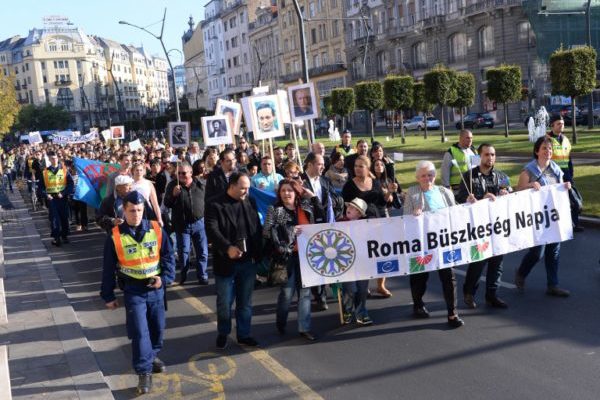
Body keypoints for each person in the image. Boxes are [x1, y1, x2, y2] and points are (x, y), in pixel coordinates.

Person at [100, 191, 175, 395]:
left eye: (140, 210)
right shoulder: (115, 236)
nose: (136, 214)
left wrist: (165, 279)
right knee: (140, 332)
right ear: (124, 210)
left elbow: (168, 256)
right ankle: (144, 372)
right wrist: (108, 295)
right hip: (134, 290)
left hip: (156, 288)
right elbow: (108, 268)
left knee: (157, 330)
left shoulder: (156, 229)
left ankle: (152, 355)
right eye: (132, 210)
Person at [205, 172, 264, 349]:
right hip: (226, 262)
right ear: (231, 186)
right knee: (225, 303)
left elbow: (256, 228)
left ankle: (244, 334)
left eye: (247, 188)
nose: (246, 191)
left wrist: (259, 253)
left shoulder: (250, 201)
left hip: (247, 262)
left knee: (245, 302)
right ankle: (223, 331)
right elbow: (211, 230)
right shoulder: (214, 204)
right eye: (243, 188)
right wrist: (227, 248)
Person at [403, 160, 464, 328]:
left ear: (435, 176)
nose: (427, 178)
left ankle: (452, 313)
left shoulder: (444, 192)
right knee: (419, 277)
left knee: (448, 277)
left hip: (443, 242)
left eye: (430, 175)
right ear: (417, 177)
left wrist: (470, 203)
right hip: (422, 243)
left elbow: (456, 211)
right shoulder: (413, 193)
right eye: (423, 175)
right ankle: (418, 303)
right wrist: (414, 214)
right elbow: (405, 218)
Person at [456, 143, 511, 309]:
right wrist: (477, 198)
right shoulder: (469, 176)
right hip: (479, 226)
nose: (490, 158)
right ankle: (469, 293)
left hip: (498, 225)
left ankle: (492, 295)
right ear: (479, 157)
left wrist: (507, 192)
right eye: (487, 154)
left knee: (497, 261)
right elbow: (461, 198)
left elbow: (510, 191)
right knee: (479, 261)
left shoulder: (501, 176)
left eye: (493, 154)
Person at [515, 136, 571, 297]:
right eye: (544, 148)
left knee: (554, 251)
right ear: (537, 151)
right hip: (537, 218)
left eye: (550, 149)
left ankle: (553, 285)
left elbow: (559, 190)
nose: (548, 151)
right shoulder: (529, 170)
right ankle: (521, 272)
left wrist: (565, 187)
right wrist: (530, 185)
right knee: (537, 253)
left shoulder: (555, 169)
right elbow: (518, 191)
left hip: (554, 216)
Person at [263, 179, 317, 341]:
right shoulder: (275, 210)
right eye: (283, 190)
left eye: (290, 190)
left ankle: (304, 328)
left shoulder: (306, 206)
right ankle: (281, 322)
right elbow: (266, 232)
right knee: (287, 294)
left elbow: (321, 217)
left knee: (305, 294)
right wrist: (290, 231)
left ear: (296, 192)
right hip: (286, 258)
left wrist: (313, 197)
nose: (286, 193)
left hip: (307, 256)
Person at [342, 155, 392, 297]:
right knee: (364, 257)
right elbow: (345, 208)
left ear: (367, 168)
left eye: (360, 166)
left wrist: (389, 192)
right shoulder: (349, 185)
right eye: (355, 166)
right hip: (359, 228)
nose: (357, 169)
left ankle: (381, 285)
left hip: (377, 223)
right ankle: (364, 285)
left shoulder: (375, 182)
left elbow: (382, 202)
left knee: (380, 255)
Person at [163, 162, 209, 285]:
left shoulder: (200, 184)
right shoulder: (173, 185)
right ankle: (183, 276)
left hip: (199, 223)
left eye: (183, 173)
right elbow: (167, 203)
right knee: (184, 253)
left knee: (202, 252)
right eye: (178, 173)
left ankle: (202, 276)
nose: (181, 176)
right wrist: (173, 195)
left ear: (191, 173)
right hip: (182, 225)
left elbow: (208, 201)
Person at [545, 115, 582, 232]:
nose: (562, 126)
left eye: (563, 124)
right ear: (552, 125)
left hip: (566, 174)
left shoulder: (565, 139)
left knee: (573, 199)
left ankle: (574, 224)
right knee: (556, 201)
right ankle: (556, 226)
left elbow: (569, 158)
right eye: (558, 124)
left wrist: (571, 174)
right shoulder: (546, 140)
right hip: (552, 175)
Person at [339, 198, 373, 325]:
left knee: (362, 289)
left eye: (353, 208)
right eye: (349, 206)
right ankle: (347, 311)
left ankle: (361, 313)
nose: (349, 209)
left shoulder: (366, 226)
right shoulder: (339, 222)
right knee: (350, 289)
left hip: (362, 262)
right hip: (345, 262)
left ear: (359, 213)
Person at [40, 151, 74, 246]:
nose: (54, 160)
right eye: (52, 158)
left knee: (64, 217)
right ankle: (56, 237)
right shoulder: (45, 172)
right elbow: (41, 188)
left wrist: (63, 193)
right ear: (50, 160)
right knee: (55, 218)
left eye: (56, 158)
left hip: (62, 198)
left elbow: (70, 184)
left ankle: (64, 235)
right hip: (52, 199)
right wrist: (46, 195)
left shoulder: (64, 170)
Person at [441, 129, 476, 197]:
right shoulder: (451, 152)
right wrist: (447, 188)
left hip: (474, 187)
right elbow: (445, 171)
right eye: (467, 138)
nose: (470, 140)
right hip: (458, 189)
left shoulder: (474, 150)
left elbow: (478, 167)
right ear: (460, 138)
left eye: (471, 138)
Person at [131, 162, 164, 227]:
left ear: (143, 171)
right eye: (137, 170)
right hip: (133, 212)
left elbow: (155, 203)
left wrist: (159, 219)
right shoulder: (129, 183)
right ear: (133, 171)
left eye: (141, 170)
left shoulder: (148, 183)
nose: (139, 172)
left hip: (147, 211)